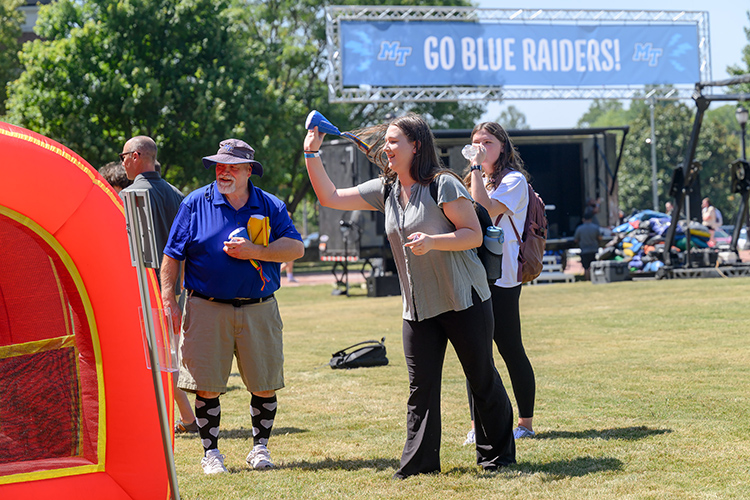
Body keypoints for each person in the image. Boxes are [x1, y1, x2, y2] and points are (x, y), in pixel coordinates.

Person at [304, 113, 515, 479]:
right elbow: (331, 196)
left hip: (464, 299)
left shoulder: (443, 184)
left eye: (393, 141)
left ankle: (497, 457)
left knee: (481, 378)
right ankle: (418, 465)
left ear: (415, 145)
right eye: (385, 141)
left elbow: (473, 235)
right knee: (421, 389)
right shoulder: (385, 189)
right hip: (417, 308)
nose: (386, 147)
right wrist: (311, 154)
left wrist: (433, 241)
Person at [161, 138, 304, 475]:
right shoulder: (195, 203)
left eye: (232, 167)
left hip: (260, 307)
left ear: (249, 171)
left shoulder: (271, 205)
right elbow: (172, 255)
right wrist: (168, 299)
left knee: (263, 383)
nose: (222, 172)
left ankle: (260, 448)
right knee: (206, 385)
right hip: (206, 306)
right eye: (219, 165)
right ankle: (211, 453)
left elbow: (295, 248)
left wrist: (255, 250)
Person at [118, 136, 198, 435]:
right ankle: (186, 417)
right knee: (163, 352)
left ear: (137, 156)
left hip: (146, 286)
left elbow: (128, 248)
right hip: (175, 287)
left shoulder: (132, 195)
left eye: (124, 155)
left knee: (156, 355)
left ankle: (182, 418)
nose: (122, 162)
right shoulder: (177, 193)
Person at [463, 121, 537, 441]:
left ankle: (525, 424)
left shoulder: (514, 180)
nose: (481, 147)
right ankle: (479, 426)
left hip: (503, 275)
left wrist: (476, 168)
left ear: (503, 147)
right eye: (476, 142)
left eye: (488, 142)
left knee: (509, 348)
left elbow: (486, 210)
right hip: (475, 270)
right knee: (475, 351)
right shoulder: (476, 178)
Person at [574, 208, 601, 281]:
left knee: (586, 268)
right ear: (591, 219)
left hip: (584, 250)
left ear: (583, 219)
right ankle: (595, 279)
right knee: (593, 266)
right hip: (594, 249)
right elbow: (599, 238)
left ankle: (587, 279)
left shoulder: (579, 228)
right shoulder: (595, 227)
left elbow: (576, 239)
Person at [280, 211, 298, 283]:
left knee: (290, 261)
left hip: (288, 246)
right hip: (284, 246)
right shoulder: (283, 226)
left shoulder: (288, 225)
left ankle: (290, 276)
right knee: (288, 262)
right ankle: (276, 272)